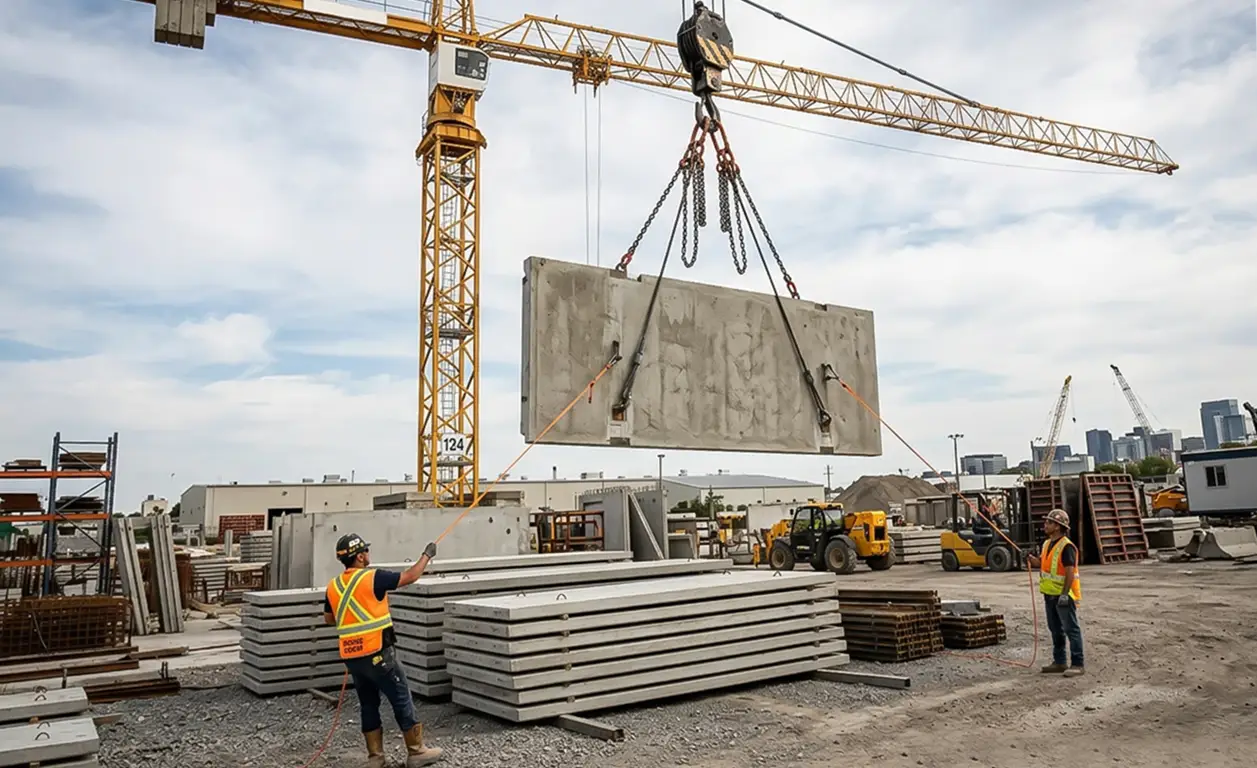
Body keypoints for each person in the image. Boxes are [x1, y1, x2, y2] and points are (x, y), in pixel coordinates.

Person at [324, 534, 444, 767]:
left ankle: (375, 758)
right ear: (359, 556)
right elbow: (410, 576)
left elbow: (329, 618)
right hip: (378, 653)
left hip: (353, 658)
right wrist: (427, 555)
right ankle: (417, 751)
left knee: (368, 704)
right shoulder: (373, 578)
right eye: (365, 551)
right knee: (401, 697)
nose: (368, 555)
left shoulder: (334, 585)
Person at [1026, 508, 1084, 677]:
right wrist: (1032, 560)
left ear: (1058, 526)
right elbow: (1043, 564)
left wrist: (1065, 594)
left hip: (1063, 596)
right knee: (1055, 630)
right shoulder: (1046, 544)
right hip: (1049, 595)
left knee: (1071, 629)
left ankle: (1078, 663)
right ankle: (1059, 662)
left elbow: (1069, 572)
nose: (1045, 525)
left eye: (1049, 522)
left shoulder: (1066, 547)